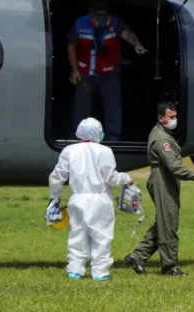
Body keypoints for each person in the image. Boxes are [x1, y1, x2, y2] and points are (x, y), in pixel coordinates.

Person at [125, 102, 194, 276]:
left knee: (165, 222)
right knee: (168, 224)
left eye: (175, 116)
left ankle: (137, 256)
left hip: (165, 178)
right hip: (162, 179)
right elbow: (175, 166)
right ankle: (169, 267)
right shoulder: (162, 138)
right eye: (171, 117)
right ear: (161, 118)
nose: (174, 120)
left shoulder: (164, 134)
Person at [48, 117, 134, 281]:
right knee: (102, 236)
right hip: (100, 199)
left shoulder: (69, 151)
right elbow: (111, 178)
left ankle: (75, 270)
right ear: (98, 133)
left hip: (77, 198)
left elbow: (56, 177)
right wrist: (126, 178)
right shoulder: (105, 151)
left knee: (77, 235)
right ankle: (100, 272)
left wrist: (55, 197)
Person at [67, 0, 148, 142]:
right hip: (86, 72)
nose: (100, 19)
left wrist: (137, 44)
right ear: (90, 14)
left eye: (103, 15)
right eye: (96, 16)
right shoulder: (80, 23)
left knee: (113, 104)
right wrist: (74, 70)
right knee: (81, 105)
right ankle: (77, 135)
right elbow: (71, 45)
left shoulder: (116, 24)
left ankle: (113, 137)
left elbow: (128, 35)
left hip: (110, 72)